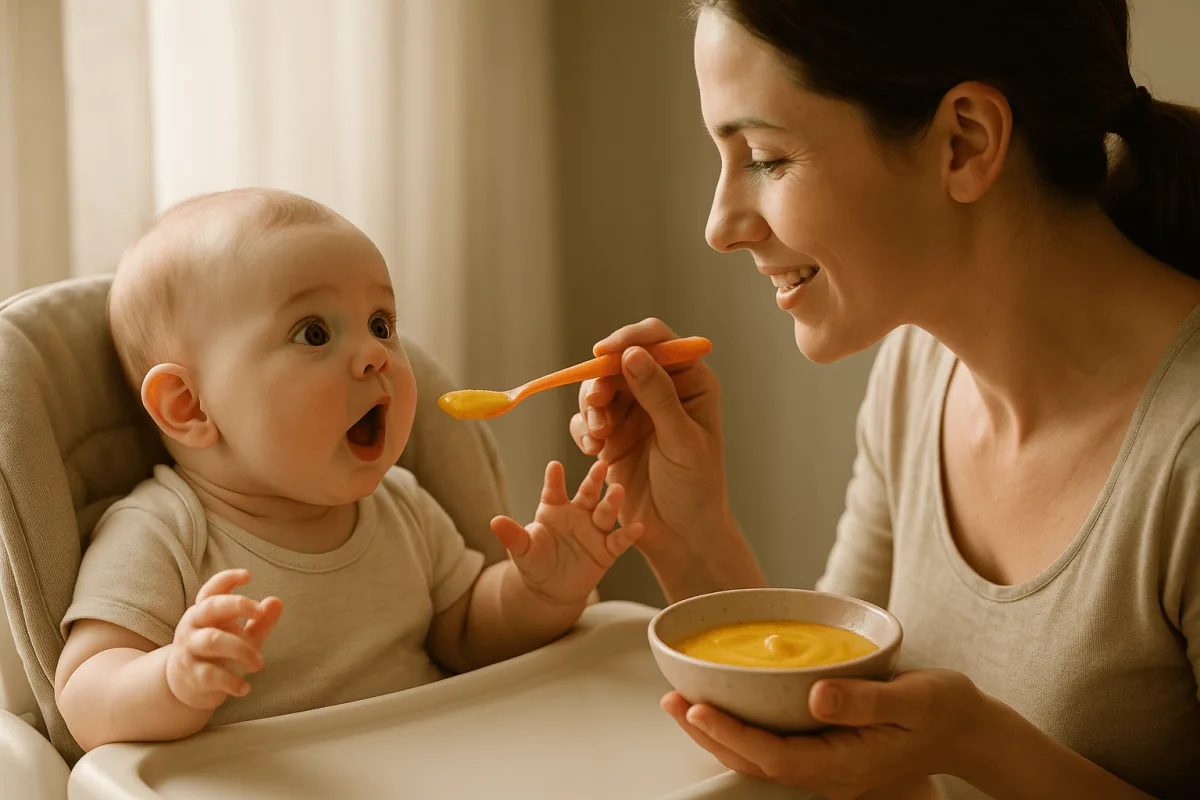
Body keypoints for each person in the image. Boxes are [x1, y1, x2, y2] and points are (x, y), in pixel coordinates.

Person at [572, 2, 1200, 798]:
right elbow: (835, 725)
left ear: (965, 141)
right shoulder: (917, 373)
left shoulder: (1186, 455)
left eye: (764, 158)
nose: (720, 226)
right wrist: (690, 532)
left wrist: (980, 745)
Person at [54, 188, 644, 751]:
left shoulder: (402, 505)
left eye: (381, 324)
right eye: (314, 334)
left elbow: (467, 632)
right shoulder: (162, 532)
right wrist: (173, 678)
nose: (375, 354)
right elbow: (85, 693)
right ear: (189, 406)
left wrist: (542, 591)